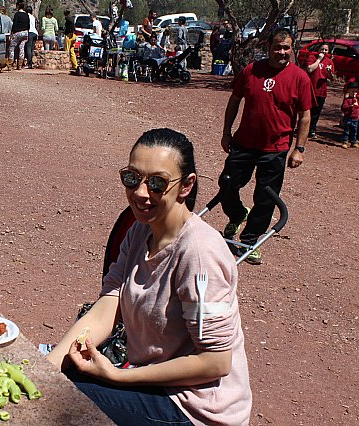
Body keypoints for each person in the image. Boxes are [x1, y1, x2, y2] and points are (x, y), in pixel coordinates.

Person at [46, 128, 252, 425]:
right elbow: (109, 304)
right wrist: (45, 369)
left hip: (195, 409)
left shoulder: (198, 252)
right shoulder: (142, 229)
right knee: (56, 380)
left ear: (186, 186)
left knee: (64, 404)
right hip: (152, 384)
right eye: (132, 178)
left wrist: (118, 376)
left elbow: (216, 362)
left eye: (157, 183)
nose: (141, 193)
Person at [218, 28, 314, 265]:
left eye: (286, 48)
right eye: (277, 47)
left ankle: (250, 240)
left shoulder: (300, 77)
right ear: (268, 47)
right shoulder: (252, 70)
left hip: (276, 148)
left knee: (265, 197)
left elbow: (305, 116)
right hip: (243, 143)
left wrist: (299, 149)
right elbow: (234, 101)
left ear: (292, 49)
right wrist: (226, 132)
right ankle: (238, 214)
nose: (282, 52)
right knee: (227, 184)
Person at [305, 44, 335, 139]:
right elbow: (309, 69)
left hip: (322, 91)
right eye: (322, 49)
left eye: (326, 50)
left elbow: (332, 78)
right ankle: (303, 129)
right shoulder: (312, 57)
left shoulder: (329, 61)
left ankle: (312, 130)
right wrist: (318, 60)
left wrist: (329, 73)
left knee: (316, 112)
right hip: (310, 89)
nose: (324, 51)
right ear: (318, 49)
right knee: (307, 110)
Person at [7, 1, 29, 70]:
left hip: (18, 33)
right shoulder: (26, 15)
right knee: (21, 47)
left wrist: (12, 33)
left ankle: (10, 64)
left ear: (18, 6)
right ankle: (19, 65)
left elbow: (14, 25)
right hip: (25, 33)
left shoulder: (17, 14)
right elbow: (28, 25)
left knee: (12, 47)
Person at [341, 81, 359, 148]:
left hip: (355, 118)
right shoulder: (347, 100)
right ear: (348, 91)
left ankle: (353, 141)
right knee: (347, 130)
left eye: (355, 91)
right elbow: (343, 108)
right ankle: (345, 141)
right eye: (352, 91)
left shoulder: (357, 99)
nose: (354, 93)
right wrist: (351, 106)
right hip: (348, 117)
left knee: (354, 131)